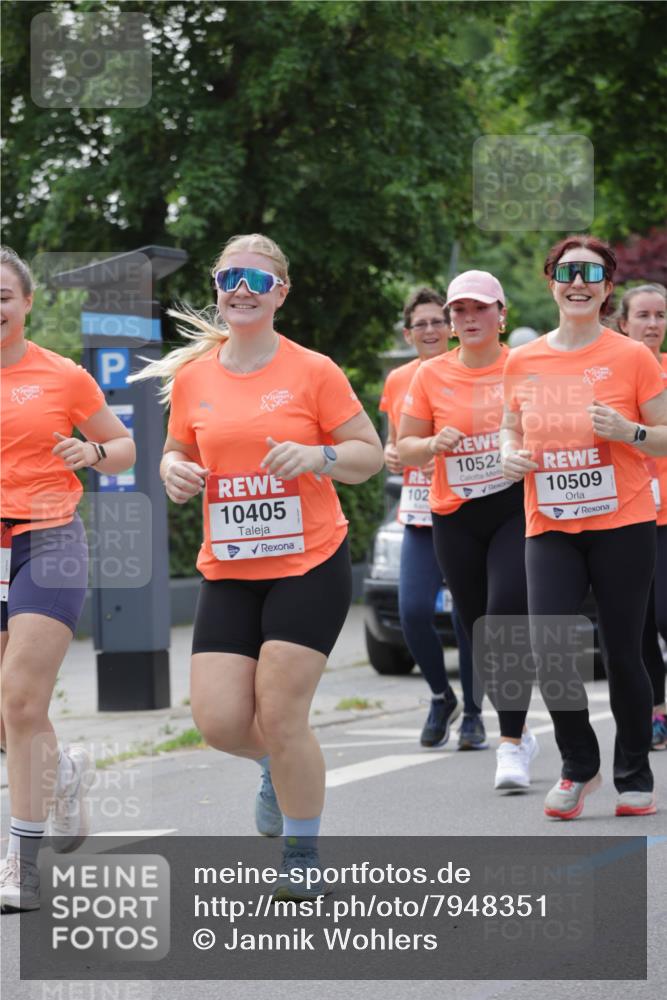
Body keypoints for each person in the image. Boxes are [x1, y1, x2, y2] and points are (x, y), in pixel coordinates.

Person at [131, 234, 383, 899]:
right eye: (227, 276)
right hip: (229, 564)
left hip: (309, 560)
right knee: (216, 722)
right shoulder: (194, 378)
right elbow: (176, 452)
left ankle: (301, 854)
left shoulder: (313, 371)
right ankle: (277, 765)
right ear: (217, 288)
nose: (239, 288)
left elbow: (369, 453)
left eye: (255, 278)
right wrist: (172, 471)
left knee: (281, 711)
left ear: (279, 293)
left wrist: (319, 458)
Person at [501, 236, 667, 820]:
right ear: (551, 281)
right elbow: (509, 428)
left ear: (606, 288)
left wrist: (630, 432)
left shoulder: (633, 357)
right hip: (548, 521)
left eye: (590, 274)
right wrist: (506, 453)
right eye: (567, 271)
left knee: (624, 652)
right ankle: (579, 767)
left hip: (622, 521)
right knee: (549, 650)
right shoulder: (522, 360)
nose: (578, 282)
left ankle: (633, 772)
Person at [0, 247, 136, 911]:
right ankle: (64, 775)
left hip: (48, 536)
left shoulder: (62, 377)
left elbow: (123, 448)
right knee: (7, 715)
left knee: (21, 700)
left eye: (3, 294)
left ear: (25, 303)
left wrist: (91, 451)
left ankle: (22, 864)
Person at [398, 270, 539, 792]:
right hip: (454, 515)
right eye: (461, 310)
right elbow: (404, 446)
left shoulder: (524, 366)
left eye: (481, 309)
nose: (469, 318)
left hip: (513, 508)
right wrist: (432, 446)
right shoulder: (430, 375)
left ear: (502, 314)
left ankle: (511, 743)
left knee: (504, 617)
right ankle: (516, 730)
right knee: (479, 627)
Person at [380, 287, 485, 750]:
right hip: (421, 513)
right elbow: (394, 443)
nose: (429, 330)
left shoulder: (471, 370)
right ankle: (442, 697)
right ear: (408, 334)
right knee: (413, 612)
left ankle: (475, 713)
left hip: (465, 511)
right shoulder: (400, 380)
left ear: (452, 326)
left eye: (437, 321)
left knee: (468, 616)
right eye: (420, 324)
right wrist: (392, 455)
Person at [615, 283, 667, 749]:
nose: (653, 325)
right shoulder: (612, 374)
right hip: (627, 516)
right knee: (642, 622)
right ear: (624, 323)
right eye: (644, 316)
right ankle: (657, 712)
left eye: (660, 316)